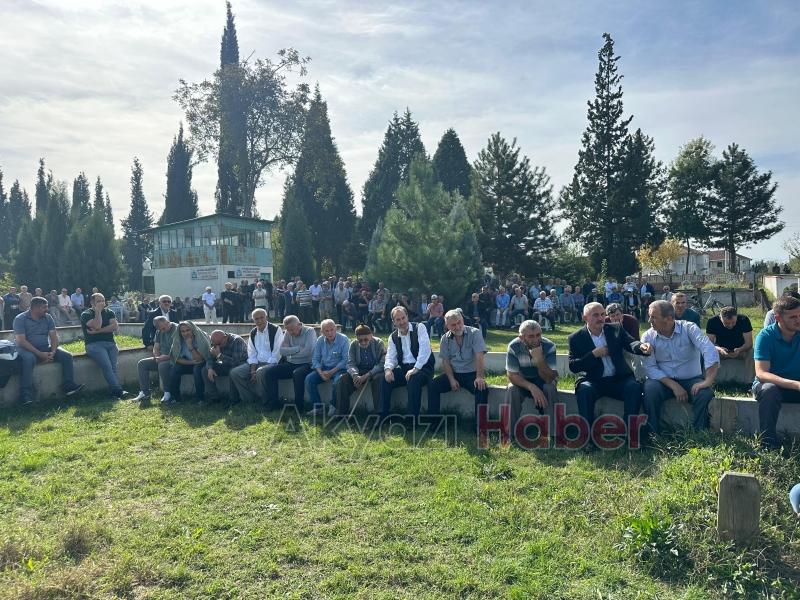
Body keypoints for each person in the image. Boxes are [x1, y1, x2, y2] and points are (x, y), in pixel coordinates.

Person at [569, 302, 651, 450]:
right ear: (584, 317)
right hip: (593, 380)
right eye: (595, 315)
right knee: (584, 390)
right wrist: (594, 354)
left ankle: (630, 434)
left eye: (602, 314)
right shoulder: (576, 337)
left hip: (618, 379)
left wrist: (641, 347)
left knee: (633, 387)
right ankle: (587, 438)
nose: (601, 318)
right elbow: (574, 366)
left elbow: (630, 343)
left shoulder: (615, 329)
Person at [641, 300, 719, 437]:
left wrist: (707, 381)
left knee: (705, 393)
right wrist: (674, 386)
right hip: (663, 382)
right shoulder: (648, 336)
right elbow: (650, 367)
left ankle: (699, 434)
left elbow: (709, 349)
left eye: (653, 317)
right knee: (649, 389)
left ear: (669, 318)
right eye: (649, 316)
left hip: (690, 380)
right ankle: (653, 434)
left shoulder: (689, 328)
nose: (649, 320)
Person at [13, 296, 85, 403]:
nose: (47, 309)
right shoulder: (20, 318)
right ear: (35, 308)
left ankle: (68, 386)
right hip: (25, 349)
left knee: (67, 356)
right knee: (29, 359)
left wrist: (53, 352)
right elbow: (21, 341)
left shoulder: (48, 317)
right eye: (44, 307)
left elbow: (54, 336)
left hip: (44, 347)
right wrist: (40, 354)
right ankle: (25, 395)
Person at [752, 295, 800, 449]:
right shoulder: (765, 336)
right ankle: (767, 443)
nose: (798, 320)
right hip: (772, 386)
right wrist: (795, 384)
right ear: (778, 317)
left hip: (796, 385)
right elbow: (762, 374)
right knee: (769, 390)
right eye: (793, 317)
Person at [427, 310, 489, 425]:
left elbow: (479, 356)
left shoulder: (474, 333)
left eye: (459, 322)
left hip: (472, 374)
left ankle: (480, 426)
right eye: (453, 325)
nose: (457, 326)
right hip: (454, 374)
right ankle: (433, 423)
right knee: (433, 385)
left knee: (482, 389)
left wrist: (479, 377)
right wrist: (451, 379)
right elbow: (446, 362)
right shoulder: (445, 339)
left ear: (463, 320)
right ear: (447, 325)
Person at [504, 320, 558, 438]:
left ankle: (553, 433)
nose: (536, 339)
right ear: (522, 338)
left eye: (538, 335)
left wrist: (539, 360)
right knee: (512, 389)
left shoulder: (549, 346)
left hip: (544, 380)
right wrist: (531, 387)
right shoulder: (513, 346)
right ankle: (509, 433)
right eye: (531, 336)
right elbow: (512, 375)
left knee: (550, 387)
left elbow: (549, 378)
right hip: (523, 381)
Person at [380, 306, 435, 420]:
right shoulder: (393, 337)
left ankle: (411, 419)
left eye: (403, 318)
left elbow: (425, 351)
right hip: (406, 369)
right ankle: (383, 416)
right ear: (393, 322)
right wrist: (388, 370)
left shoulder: (419, 328)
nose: (401, 322)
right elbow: (391, 356)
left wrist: (416, 368)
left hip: (423, 369)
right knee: (384, 378)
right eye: (398, 320)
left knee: (413, 378)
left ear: (407, 317)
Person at [229, 308, 284, 403]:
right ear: (253, 320)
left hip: (273, 362)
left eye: (261, 318)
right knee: (235, 373)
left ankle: (265, 401)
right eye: (256, 319)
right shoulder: (253, 332)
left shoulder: (275, 329)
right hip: (257, 363)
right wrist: (252, 370)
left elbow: (277, 353)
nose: (259, 321)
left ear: (266, 317)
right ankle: (249, 399)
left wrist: (259, 369)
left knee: (261, 372)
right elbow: (252, 353)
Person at [261, 315, 315, 412]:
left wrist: (290, 353)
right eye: (288, 330)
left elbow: (308, 351)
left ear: (299, 324)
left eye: (292, 330)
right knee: (269, 372)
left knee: (297, 374)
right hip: (291, 363)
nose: (290, 333)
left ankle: (299, 407)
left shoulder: (310, 331)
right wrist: (298, 348)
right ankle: (274, 403)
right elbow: (282, 351)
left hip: (307, 364)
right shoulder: (288, 332)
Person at [80, 293, 127, 399]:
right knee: (107, 366)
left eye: (103, 300)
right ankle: (118, 390)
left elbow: (114, 327)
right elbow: (97, 325)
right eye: (99, 301)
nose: (102, 303)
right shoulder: (86, 314)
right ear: (92, 303)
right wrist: (97, 312)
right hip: (94, 345)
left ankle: (114, 391)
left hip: (110, 344)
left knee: (113, 367)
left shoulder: (109, 312)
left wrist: (97, 332)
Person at [336, 324, 386, 414]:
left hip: (375, 371)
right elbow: (350, 363)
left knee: (378, 380)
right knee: (342, 380)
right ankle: (341, 414)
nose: (363, 342)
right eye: (360, 340)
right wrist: (355, 375)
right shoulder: (354, 345)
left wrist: (367, 375)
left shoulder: (379, 343)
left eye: (366, 339)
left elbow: (382, 363)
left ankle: (379, 414)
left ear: (371, 336)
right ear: (356, 338)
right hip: (359, 370)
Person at [305, 319, 349, 416]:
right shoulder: (320, 340)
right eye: (326, 331)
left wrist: (331, 372)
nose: (330, 333)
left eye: (332, 330)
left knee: (338, 381)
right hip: (324, 368)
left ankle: (333, 406)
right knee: (309, 379)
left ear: (336, 329)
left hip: (339, 369)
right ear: (322, 331)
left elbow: (345, 360)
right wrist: (321, 373)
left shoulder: (343, 339)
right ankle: (318, 407)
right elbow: (315, 359)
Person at [134, 316, 178, 403]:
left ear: (167, 322)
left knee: (162, 365)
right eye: (159, 329)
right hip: (162, 357)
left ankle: (167, 392)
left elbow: (178, 351)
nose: (162, 331)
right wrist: (157, 357)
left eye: (163, 328)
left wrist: (162, 358)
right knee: (142, 363)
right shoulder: (159, 331)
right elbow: (156, 347)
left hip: (175, 358)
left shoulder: (177, 329)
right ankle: (144, 392)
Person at [165, 321, 210, 403]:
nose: (185, 333)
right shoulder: (178, 339)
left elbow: (200, 359)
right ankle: (175, 397)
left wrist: (190, 346)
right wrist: (191, 363)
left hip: (202, 363)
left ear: (192, 329)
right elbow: (176, 358)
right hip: (189, 362)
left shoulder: (200, 338)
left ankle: (200, 398)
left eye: (188, 330)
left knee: (197, 370)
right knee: (175, 369)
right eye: (183, 331)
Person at [203, 329, 248, 403]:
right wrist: (210, 368)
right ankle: (214, 398)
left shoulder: (237, 341)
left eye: (219, 344)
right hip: (225, 364)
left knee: (233, 372)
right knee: (205, 370)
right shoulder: (216, 341)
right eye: (214, 344)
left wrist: (219, 355)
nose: (216, 346)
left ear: (225, 337)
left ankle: (234, 400)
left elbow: (236, 362)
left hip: (240, 365)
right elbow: (210, 358)